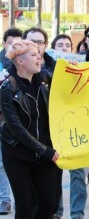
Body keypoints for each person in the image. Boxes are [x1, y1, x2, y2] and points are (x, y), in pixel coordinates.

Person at [0, 40, 58, 218]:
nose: (39, 58)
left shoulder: (46, 80)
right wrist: (45, 151)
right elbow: (17, 129)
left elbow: (74, 79)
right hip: (18, 154)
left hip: (47, 151)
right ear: (20, 61)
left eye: (39, 54)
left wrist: (73, 67)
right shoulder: (7, 88)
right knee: (26, 205)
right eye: (34, 55)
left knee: (48, 204)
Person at [50, 33, 75, 219]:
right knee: (54, 175)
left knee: (77, 174)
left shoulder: (79, 68)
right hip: (53, 129)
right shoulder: (45, 71)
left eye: (68, 45)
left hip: (75, 128)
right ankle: (56, 213)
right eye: (60, 44)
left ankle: (76, 215)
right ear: (53, 49)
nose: (65, 48)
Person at [0, 27, 22, 216]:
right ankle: (5, 200)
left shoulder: (24, 64)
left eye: (18, 44)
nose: (13, 47)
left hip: (18, 123)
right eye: (10, 43)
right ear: (4, 44)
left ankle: (11, 200)